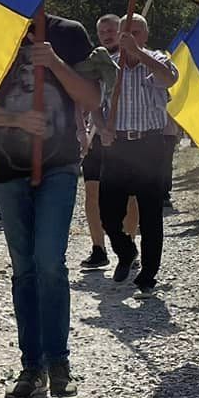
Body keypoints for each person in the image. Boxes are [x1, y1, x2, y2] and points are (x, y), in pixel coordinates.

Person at [0, 16, 101, 398]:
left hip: (59, 165)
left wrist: (55, 64)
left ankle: (58, 362)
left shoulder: (69, 34)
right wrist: (15, 119)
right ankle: (31, 366)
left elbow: (92, 98)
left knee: (49, 261)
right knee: (25, 269)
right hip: (8, 169)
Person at [99, 13, 180, 291]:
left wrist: (138, 54)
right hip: (118, 145)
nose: (129, 36)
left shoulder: (158, 60)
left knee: (150, 212)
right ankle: (125, 251)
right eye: (125, 32)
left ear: (144, 36)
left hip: (150, 145)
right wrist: (101, 128)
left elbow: (169, 79)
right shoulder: (109, 66)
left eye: (135, 32)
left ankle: (148, 274)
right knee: (108, 213)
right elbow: (94, 105)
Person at [79, 14, 123, 269]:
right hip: (96, 134)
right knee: (91, 194)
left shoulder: (130, 60)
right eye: (102, 31)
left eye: (111, 30)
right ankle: (98, 248)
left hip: (122, 136)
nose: (107, 34)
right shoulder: (93, 62)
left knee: (127, 195)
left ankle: (127, 244)